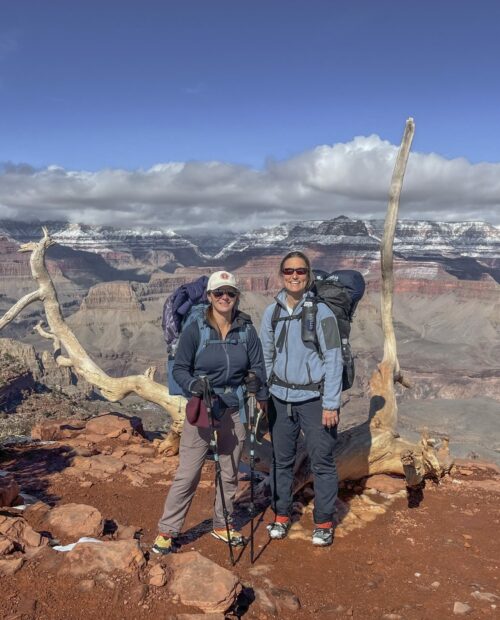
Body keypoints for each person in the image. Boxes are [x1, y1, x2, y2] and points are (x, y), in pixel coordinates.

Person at [153, 270, 268, 555]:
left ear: (237, 297)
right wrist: (193, 383)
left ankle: (222, 523)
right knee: (189, 473)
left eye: (230, 293)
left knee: (229, 472)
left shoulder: (246, 329)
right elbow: (180, 368)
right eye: (219, 293)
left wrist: (257, 384)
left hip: (234, 408)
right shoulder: (196, 329)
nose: (225, 298)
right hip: (204, 407)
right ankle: (168, 530)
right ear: (209, 297)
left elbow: (259, 365)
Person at [259, 251, 343, 547]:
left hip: (314, 399)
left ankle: (323, 522)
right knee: (281, 461)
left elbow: (335, 359)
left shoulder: (324, 315)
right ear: (281, 275)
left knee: (322, 461)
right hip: (280, 398)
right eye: (289, 271)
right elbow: (266, 356)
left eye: (300, 272)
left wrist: (331, 402)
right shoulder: (272, 313)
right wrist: (266, 392)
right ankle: (281, 516)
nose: (294, 276)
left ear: (309, 276)